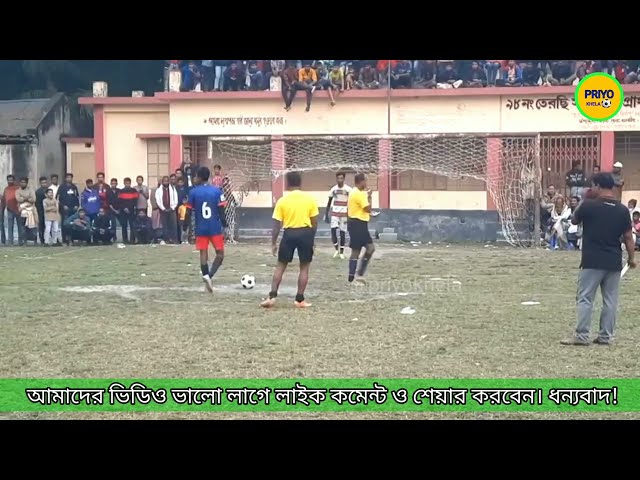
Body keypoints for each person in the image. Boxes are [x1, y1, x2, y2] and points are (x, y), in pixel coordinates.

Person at [562, 173, 636, 346]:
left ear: (597, 186)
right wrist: (632, 258)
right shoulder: (622, 210)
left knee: (585, 298)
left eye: (592, 186)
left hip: (592, 260)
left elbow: (574, 220)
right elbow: (628, 237)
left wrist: (583, 201)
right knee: (610, 300)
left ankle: (582, 335)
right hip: (613, 261)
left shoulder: (588, 206)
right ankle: (605, 336)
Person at [261, 171, 318, 309]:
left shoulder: (282, 201)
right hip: (305, 232)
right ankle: (299, 299)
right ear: (300, 183)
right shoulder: (309, 199)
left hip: (289, 233)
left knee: (281, 265)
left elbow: (276, 225)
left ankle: (272, 296)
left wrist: (273, 243)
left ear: (287, 183)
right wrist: (311, 237)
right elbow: (314, 221)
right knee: (304, 267)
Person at [187, 166, 228, 293]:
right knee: (220, 254)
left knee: (203, 254)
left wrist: (185, 227)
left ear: (199, 177)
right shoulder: (217, 191)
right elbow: (221, 210)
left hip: (201, 227)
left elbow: (188, 211)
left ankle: (206, 278)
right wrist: (225, 225)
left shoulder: (193, 192)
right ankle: (209, 276)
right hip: (215, 227)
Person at [347, 173, 375, 284]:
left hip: (356, 224)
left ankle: (352, 275)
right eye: (366, 181)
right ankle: (358, 274)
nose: (367, 184)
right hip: (358, 224)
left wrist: (366, 195)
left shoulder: (354, 192)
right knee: (369, 248)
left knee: (357, 250)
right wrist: (370, 197)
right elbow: (368, 209)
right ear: (361, 182)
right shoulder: (359, 194)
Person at [325, 172, 352, 259]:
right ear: (336, 179)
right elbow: (329, 202)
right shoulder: (333, 189)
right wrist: (326, 214)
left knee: (342, 232)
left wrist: (350, 215)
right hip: (334, 214)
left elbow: (352, 202)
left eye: (341, 178)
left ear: (344, 179)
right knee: (333, 231)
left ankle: (341, 252)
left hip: (344, 214)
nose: (339, 180)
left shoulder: (348, 190)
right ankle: (336, 249)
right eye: (338, 178)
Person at [155, 176, 179, 244]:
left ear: (169, 181)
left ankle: (174, 239)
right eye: (165, 181)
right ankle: (167, 239)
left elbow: (175, 199)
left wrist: (173, 207)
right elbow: (158, 200)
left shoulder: (173, 188)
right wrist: (163, 208)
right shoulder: (158, 190)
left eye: (167, 181)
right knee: (165, 225)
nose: (166, 182)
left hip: (172, 209)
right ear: (162, 182)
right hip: (163, 210)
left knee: (173, 225)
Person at [57, 173, 80, 239]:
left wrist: (77, 205)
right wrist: (63, 205)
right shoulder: (62, 187)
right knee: (65, 224)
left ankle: (72, 239)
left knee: (72, 223)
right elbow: (58, 198)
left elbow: (77, 197)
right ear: (65, 179)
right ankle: (64, 239)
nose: (69, 179)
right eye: (68, 177)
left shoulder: (74, 187)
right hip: (64, 209)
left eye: (70, 177)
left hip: (73, 209)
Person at [117, 177, 139, 244]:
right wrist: (124, 208)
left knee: (132, 225)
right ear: (124, 183)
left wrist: (130, 208)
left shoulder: (134, 191)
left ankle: (132, 239)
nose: (127, 184)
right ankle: (125, 240)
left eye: (128, 183)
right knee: (124, 225)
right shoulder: (121, 191)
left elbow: (135, 201)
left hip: (132, 211)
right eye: (126, 183)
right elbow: (120, 201)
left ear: (130, 183)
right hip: (123, 211)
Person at [16, 177, 37, 245]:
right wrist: (28, 198)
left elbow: (33, 199)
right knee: (23, 227)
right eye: (21, 182)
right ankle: (24, 241)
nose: (23, 183)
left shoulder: (31, 190)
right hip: (22, 211)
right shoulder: (18, 191)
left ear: (27, 183)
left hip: (31, 210)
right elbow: (18, 199)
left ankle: (34, 241)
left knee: (32, 226)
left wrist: (24, 198)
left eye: (24, 182)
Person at [2, 175, 20, 245]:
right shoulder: (6, 189)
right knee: (10, 226)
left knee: (20, 226)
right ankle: (10, 241)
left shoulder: (17, 188)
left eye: (11, 180)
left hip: (18, 209)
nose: (10, 181)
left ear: (14, 180)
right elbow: (4, 199)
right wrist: (3, 208)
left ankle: (20, 241)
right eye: (9, 180)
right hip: (9, 209)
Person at [35, 176, 49, 244]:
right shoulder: (38, 192)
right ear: (40, 183)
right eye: (43, 183)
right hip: (41, 211)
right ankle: (42, 240)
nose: (44, 184)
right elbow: (37, 203)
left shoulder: (49, 191)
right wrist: (39, 211)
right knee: (41, 226)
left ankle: (50, 239)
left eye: (45, 182)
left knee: (49, 226)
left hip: (49, 211)